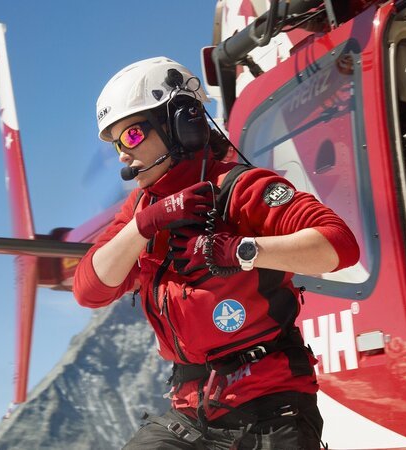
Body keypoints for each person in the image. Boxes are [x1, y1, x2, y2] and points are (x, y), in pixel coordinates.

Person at [73, 56, 359, 449]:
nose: (123, 154)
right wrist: (144, 224)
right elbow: (89, 290)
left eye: (132, 136)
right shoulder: (141, 210)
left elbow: (338, 246)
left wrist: (236, 250)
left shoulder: (239, 188)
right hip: (191, 414)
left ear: (181, 124)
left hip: (270, 406)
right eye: (116, 144)